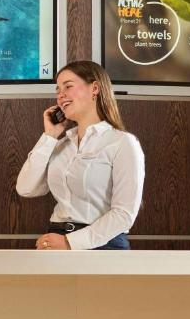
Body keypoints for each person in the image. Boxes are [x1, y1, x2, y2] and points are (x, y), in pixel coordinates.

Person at [16, 60, 144, 251]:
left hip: (103, 246)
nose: (61, 95)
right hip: (55, 240)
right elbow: (26, 188)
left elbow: (124, 214)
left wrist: (70, 243)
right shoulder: (60, 145)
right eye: (58, 90)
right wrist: (49, 135)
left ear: (94, 88)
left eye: (68, 86)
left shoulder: (122, 143)